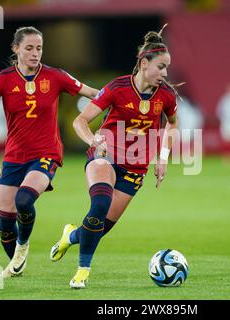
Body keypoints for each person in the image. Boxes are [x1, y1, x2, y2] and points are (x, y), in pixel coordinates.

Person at [50, 25, 179, 289]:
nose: (165, 74)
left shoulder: (166, 95)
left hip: (137, 166)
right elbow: (80, 122)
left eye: (167, 68)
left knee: (102, 227)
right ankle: (82, 271)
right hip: (105, 154)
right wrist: (93, 139)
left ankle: (71, 236)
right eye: (161, 67)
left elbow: (172, 125)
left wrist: (162, 158)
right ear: (144, 64)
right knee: (99, 204)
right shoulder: (117, 88)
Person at [0, 26, 99, 278]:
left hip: (46, 153)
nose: (35, 53)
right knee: (5, 224)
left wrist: (120, 97)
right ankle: (17, 260)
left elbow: (93, 93)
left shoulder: (55, 76)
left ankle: (23, 246)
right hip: (14, 156)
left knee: (24, 200)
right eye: (29, 48)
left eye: (39, 48)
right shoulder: (3, 79)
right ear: (16, 49)